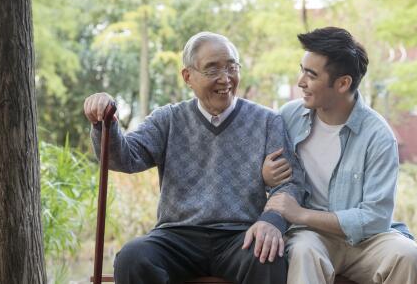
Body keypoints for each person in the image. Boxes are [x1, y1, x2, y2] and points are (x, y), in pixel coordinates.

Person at [83, 32, 305, 284]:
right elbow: (124, 159)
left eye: (232, 67)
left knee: (268, 254)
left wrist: (271, 220)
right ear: (188, 76)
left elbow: (290, 183)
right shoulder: (168, 119)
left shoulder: (267, 121)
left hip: (240, 236)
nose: (226, 78)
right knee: (132, 257)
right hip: (177, 237)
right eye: (212, 70)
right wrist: (106, 125)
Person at [263, 27, 417, 284]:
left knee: (408, 255)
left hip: (367, 241)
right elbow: (270, 182)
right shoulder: (288, 117)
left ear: (343, 83)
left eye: (311, 74)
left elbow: (376, 217)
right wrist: (265, 176)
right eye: (302, 70)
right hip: (311, 237)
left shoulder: (378, 135)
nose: (300, 81)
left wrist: (301, 214)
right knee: (304, 251)